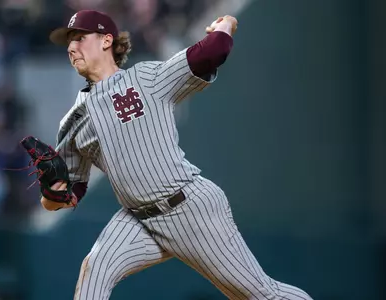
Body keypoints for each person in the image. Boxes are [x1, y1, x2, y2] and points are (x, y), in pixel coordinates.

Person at [41, 9, 313, 300]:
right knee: (95, 269)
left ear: (107, 40)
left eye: (80, 38)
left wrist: (227, 24)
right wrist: (53, 192)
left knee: (259, 294)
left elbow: (214, 51)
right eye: (69, 41)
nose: (72, 47)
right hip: (137, 220)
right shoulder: (72, 122)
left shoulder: (145, 78)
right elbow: (67, 195)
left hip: (189, 207)